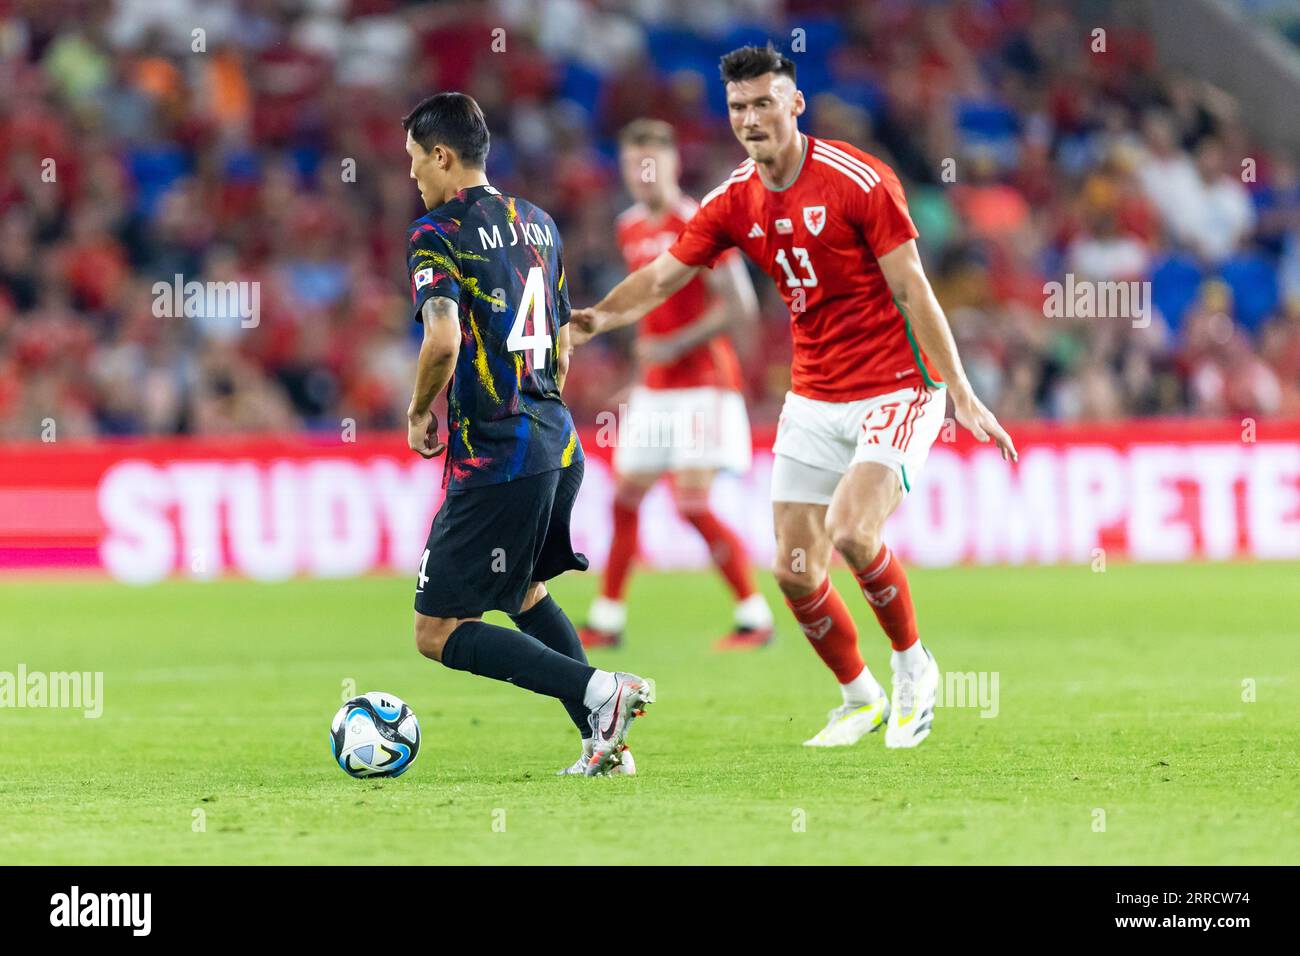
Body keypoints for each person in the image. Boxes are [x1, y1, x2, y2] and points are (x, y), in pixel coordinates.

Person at [573, 47, 1016, 751]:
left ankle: (912, 665)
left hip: (896, 386)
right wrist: (591, 320)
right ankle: (858, 696)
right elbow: (661, 278)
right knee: (793, 567)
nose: (751, 119)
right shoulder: (733, 199)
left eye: (763, 104)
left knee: (851, 532)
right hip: (814, 395)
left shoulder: (859, 179)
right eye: (739, 108)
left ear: (795, 104)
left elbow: (913, 288)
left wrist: (959, 390)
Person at [402, 92, 654, 776]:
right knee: (519, 593)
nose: (414, 178)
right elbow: (564, 342)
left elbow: (444, 339)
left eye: (416, 161)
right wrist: (540, 413)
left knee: (436, 631)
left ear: (443, 156)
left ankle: (600, 690)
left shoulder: (438, 232)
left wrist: (420, 409)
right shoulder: (537, 223)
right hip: (556, 442)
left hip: (496, 454)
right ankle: (605, 744)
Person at [579, 118, 774, 652]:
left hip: (705, 383)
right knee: (624, 500)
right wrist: (639, 378)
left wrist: (676, 345)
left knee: (691, 503)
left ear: (672, 165)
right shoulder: (629, 227)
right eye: (632, 166)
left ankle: (754, 617)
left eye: (651, 164)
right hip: (657, 389)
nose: (642, 176)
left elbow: (739, 306)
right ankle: (607, 619)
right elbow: (647, 308)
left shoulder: (698, 221)